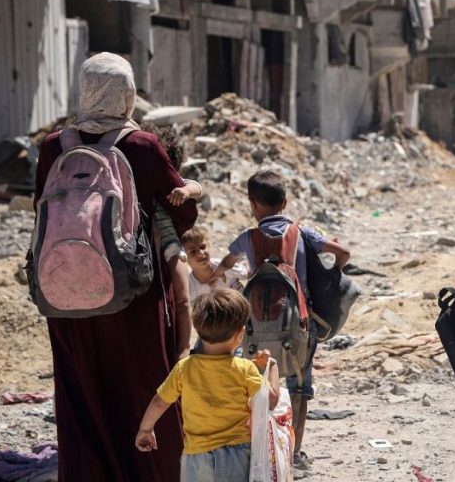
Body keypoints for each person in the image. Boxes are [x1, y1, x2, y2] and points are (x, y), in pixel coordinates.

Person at [33, 53, 197, 481]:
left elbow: (40, 209)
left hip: (66, 292)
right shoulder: (141, 146)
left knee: (81, 394)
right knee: (142, 387)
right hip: (133, 296)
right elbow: (180, 211)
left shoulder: (55, 146)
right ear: (127, 94)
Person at [216, 171, 351, 478]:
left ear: (252, 204)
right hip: (298, 326)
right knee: (300, 388)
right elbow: (343, 253)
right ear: (285, 202)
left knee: (254, 384)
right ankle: (295, 452)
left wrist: (216, 276)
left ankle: (257, 447)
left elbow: (226, 263)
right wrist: (329, 277)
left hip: (255, 327)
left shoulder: (247, 238)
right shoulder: (303, 233)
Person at [135, 289, 280, 482]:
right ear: (240, 334)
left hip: (196, 455)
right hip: (236, 454)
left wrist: (146, 429)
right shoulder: (245, 369)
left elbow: (159, 401)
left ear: (200, 332)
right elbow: (271, 399)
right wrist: (272, 367)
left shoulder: (184, 368)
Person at [149, 124, 204, 359]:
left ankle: (183, 350)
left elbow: (197, 187)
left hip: (171, 244)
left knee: (182, 299)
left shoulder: (172, 181)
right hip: (145, 244)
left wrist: (185, 191)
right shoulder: (139, 180)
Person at [181, 226, 246, 301]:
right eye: (193, 252)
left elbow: (247, 272)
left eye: (202, 247)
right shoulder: (190, 288)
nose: (200, 253)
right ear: (183, 258)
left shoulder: (224, 266)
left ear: (209, 246)